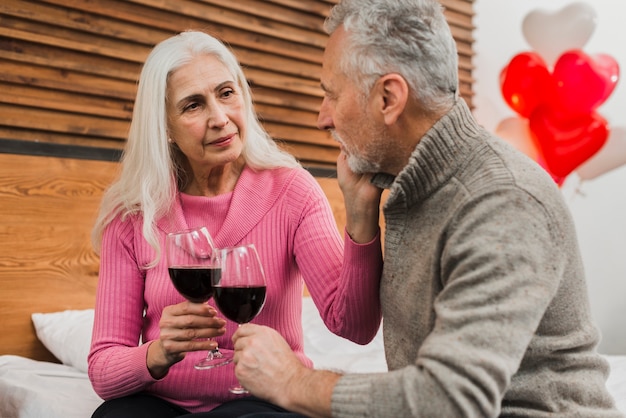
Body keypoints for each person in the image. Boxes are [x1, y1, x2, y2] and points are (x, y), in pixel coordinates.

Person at [231, 0, 624, 417]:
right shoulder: (410, 186)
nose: (321, 118)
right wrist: (360, 215)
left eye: (331, 94)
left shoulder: (502, 202)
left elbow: (447, 400)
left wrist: (293, 380)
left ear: (389, 98)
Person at [87, 30, 383, 418]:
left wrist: (361, 215)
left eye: (226, 93)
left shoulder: (293, 191)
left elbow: (354, 328)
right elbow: (103, 370)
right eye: (193, 106)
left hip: (261, 401)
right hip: (160, 402)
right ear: (165, 128)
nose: (219, 118)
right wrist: (158, 353)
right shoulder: (132, 216)